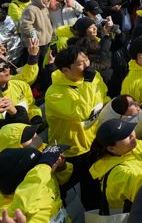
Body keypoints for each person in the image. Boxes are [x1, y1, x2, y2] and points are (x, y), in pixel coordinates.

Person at [44, 46, 109, 209]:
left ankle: (94, 213)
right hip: (71, 151)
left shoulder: (93, 77)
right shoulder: (54, 93)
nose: (87, 65)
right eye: (80, 63)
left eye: (86, 59)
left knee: (92, 188)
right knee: (64, 189)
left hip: (93, 142)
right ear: (65, 70)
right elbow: (83, 113)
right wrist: (87, 83)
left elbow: (103, 96)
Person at [88, 118, 142, 212]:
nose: (132, 135)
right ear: (111, 149)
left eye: (130, 130)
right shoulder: (118, 173)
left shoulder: (132, 146)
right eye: (125, 135)